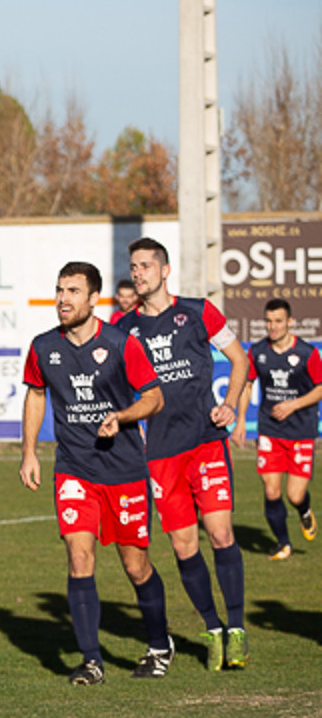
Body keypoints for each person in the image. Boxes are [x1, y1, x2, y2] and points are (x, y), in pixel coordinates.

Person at [20, 262, 168, 685]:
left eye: (72, 291)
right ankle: (91, 660)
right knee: (79, 556)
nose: (63, 299)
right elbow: (35, 395)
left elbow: (154, 397)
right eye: (59, 290)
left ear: (93, 299)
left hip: (123, 470)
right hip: (74, 467)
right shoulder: (43, 346)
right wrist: (29, 451)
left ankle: (159, 644)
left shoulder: (122, 344)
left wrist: (123, 416)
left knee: (135, 565)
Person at [123, 237, 253, 669]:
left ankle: (236, 630)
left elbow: (239, 359)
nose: (138, 273)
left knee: (221, 534)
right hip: (161, 453)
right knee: (183, 546)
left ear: (165, 270)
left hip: (204, 442)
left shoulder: (198, 311)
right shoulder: (124, 330)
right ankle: (212, 628)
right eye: (134, 266)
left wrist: (231, 404)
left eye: (145, 265)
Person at [248, 298, 322, 560]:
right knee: (271, 490)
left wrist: (293, 405)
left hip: (301, 430)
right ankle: (283, 543)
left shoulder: (307, 353)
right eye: (269, 321)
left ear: (290, 322)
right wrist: (237, 422)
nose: (273, 326)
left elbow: (320, 388)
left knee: (294, 494)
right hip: (270, 429)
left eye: (278, 321)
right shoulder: (257, 351)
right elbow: (247, 383)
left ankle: (304, 511)